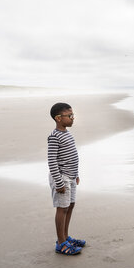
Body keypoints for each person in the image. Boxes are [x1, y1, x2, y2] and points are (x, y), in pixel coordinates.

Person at [48, 102, 86, 255]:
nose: (72, 118)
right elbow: (52, 161)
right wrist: (58, 182)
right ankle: (61, 243)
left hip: (71, 177)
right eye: (69, 116)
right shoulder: (54, 136)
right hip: (61, 178)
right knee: (62, 208)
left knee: (70, 206)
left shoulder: (67, 134)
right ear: (58, 118)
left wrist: (76, 174)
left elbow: (72, 157)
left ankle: (65, 237)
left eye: (72, 115)